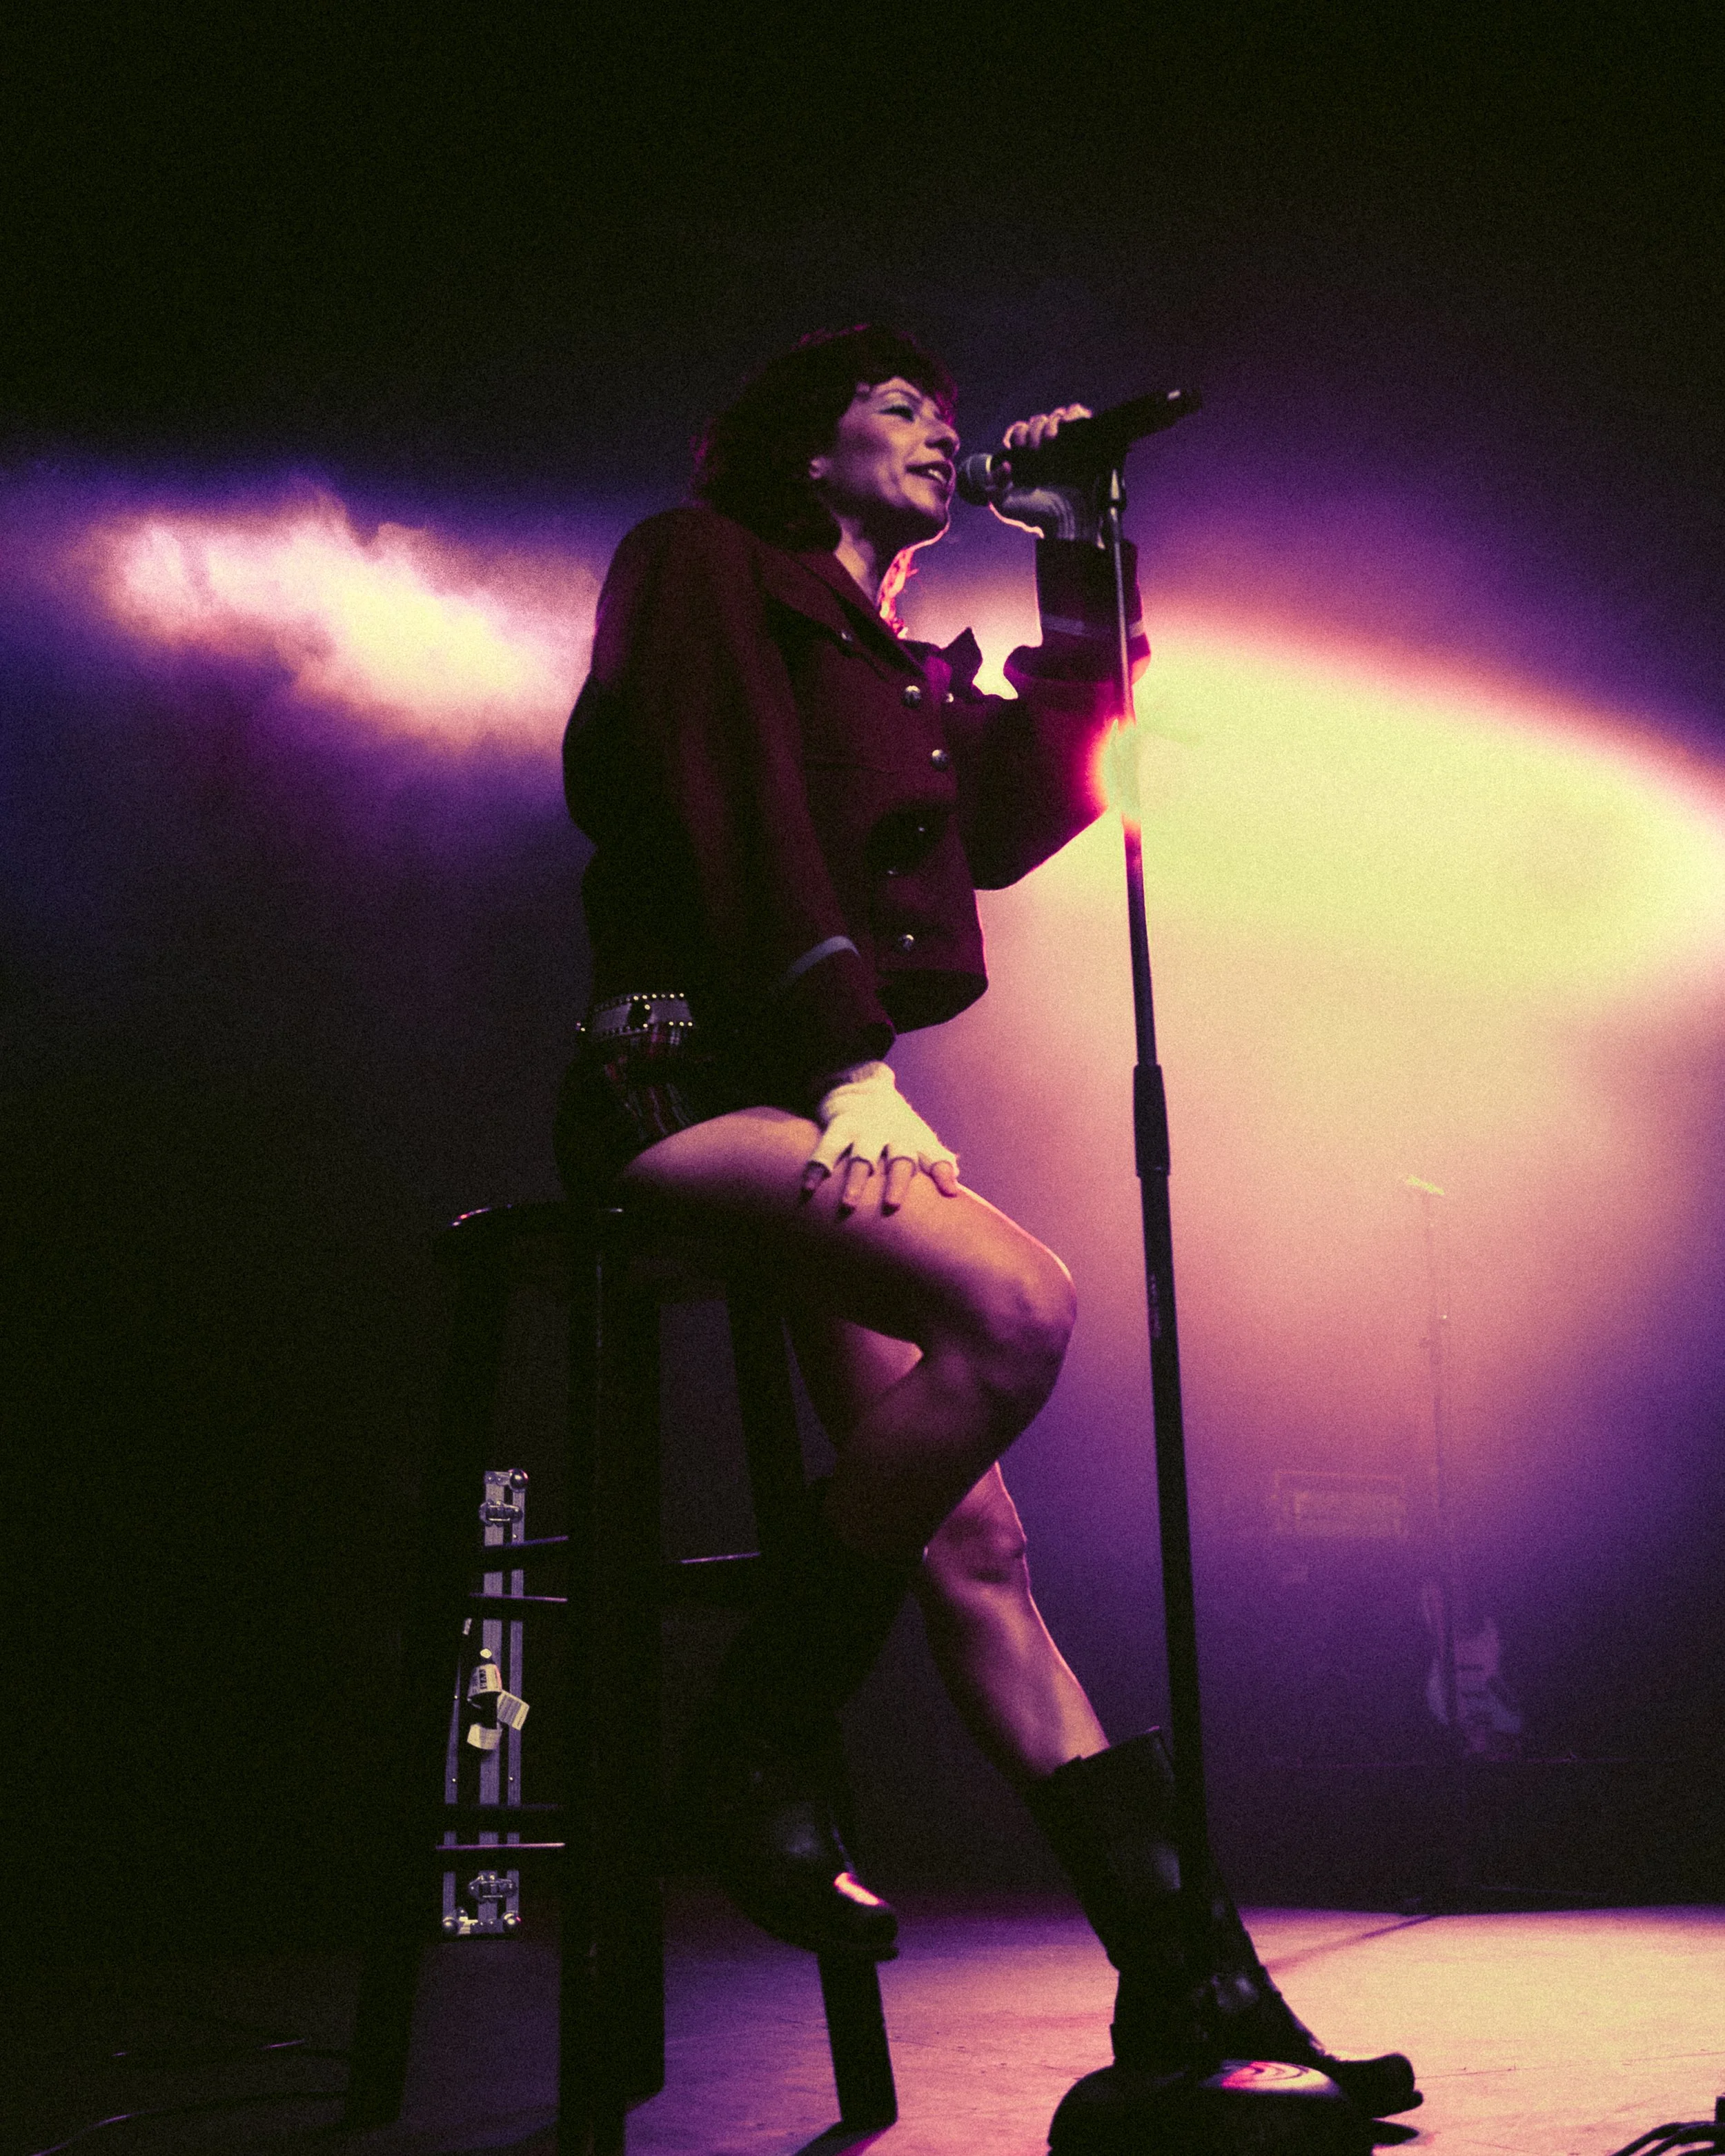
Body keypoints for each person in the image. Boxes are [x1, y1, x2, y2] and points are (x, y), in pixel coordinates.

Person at [558, 326, 1418, 2125]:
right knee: (1017, 1308)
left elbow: (1031, 812)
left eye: (952, 426)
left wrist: (1070, 550)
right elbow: (726, 815)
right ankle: (751, 1746)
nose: (939, 437)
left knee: (983, 1562)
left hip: (819, 1100)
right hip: (699, 1089)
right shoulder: (697, 566)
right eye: (902, 415)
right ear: (806, 448)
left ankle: (1188, 1996)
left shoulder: (893, 660)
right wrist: (845, 1058)